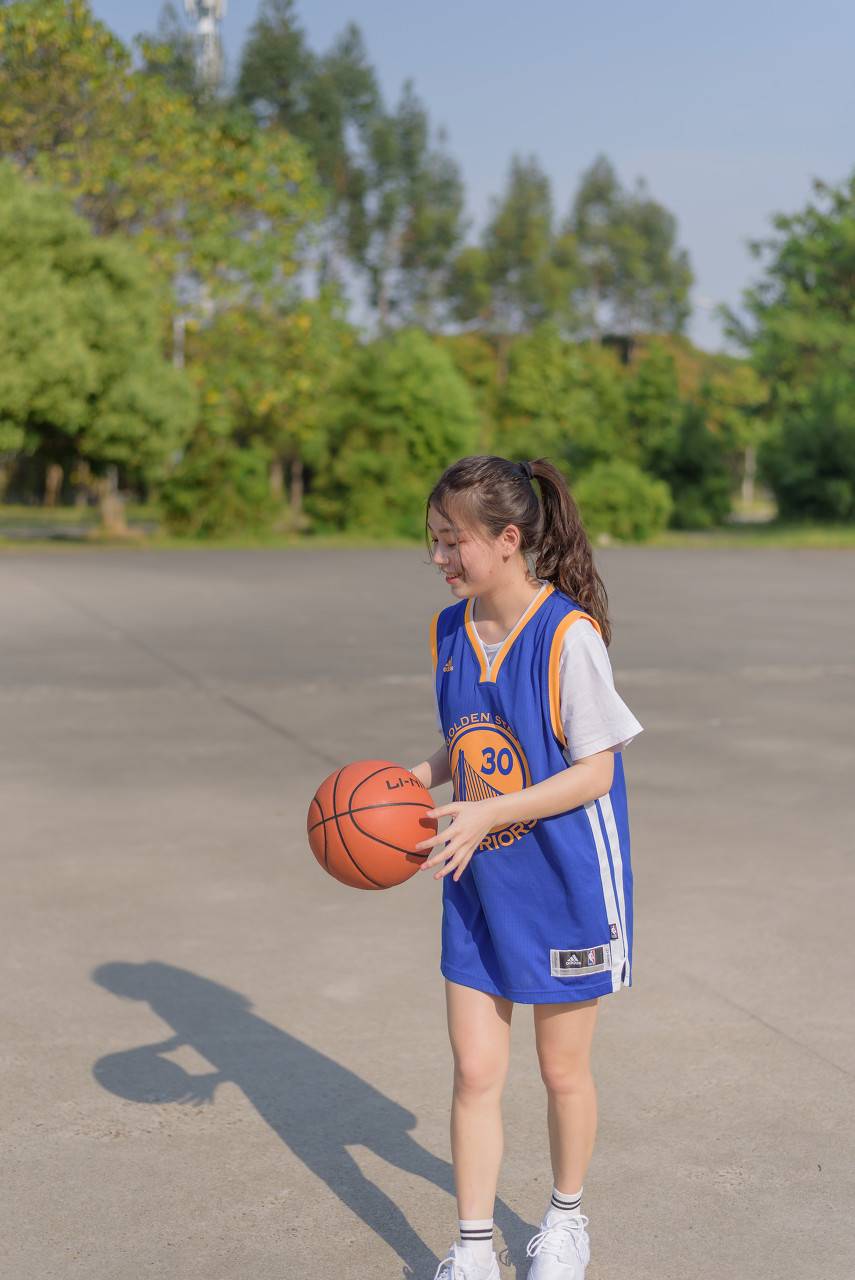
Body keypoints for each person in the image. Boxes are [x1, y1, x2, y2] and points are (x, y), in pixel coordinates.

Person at [407, 456, 643, 1280]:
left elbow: (595, 771)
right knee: (474, 1070)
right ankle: (472, 1246)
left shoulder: (568, 636)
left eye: (451, 542)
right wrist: (417, 778)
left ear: (508, 541)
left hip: (565, 881)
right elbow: (472, 735)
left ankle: (566, 1219)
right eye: (431, 541)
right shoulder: (447, 631)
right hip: (478, 877)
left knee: (559, 1069)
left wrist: (486, 813)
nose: (438, 558)